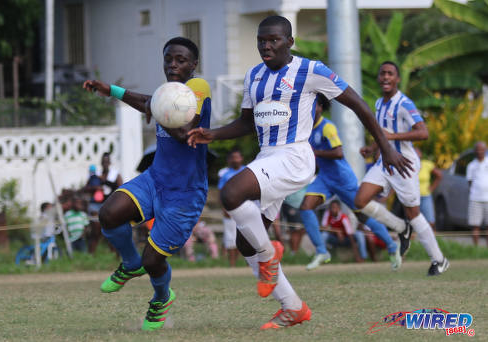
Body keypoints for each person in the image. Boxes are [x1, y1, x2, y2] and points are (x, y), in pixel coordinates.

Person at [188, 16, 411, 329]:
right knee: (244, 242)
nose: (266, 45)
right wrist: (213, 133)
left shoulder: (311, 70)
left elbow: (358, 104)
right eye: (261, 40)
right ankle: (293, 307)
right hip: (268, 158)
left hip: (294, 156)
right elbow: (245, 123)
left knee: (231, 193)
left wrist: (385, 147)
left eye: (274, 40)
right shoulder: (254, 76)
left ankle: (269, 254)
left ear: (289, 42)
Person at [82, 36, 211, 331]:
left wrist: (158, 107)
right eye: (168, 59)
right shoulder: (168, 94)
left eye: (180, 60)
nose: (173, 65)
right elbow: (148, 103)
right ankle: (129, 264)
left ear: (194, 65)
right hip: (155, 179)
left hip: (185, 194)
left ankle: (161, 298)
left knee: (153, 260)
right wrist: (111, 90)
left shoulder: (198, 88)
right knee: (109, 214)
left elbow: (184, 134)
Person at [354, 61, 449, 276]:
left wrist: (392, 137)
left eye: (390, 74)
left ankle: (439, 260)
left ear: (397, 79)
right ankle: (401, 228)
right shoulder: (379, 103)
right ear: (379, 78)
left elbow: (423, 133)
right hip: (384, 162)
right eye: (382, 74)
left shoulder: (405, 103)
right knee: (360, 200)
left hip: (403, 163)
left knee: (414, 214)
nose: (385, 77)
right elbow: (382, 133)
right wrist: (371, 148)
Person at [299, 94, 401, 271]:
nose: (309, 108)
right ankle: (322, 251)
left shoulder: (327, 127)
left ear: (320, 108)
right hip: (324, 178)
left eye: (313, 105)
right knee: (306, 207)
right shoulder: (306, 129)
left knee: (362, 216)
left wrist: (314, 153)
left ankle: (392, 246)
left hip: (342, 178)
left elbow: (338, 153)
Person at [218, 148, 246, 267]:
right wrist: (224, 208)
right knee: (230, 237)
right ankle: (232, 264)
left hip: (246, 209)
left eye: (237, 157)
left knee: (247, 236)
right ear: (229, 160)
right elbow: (221, 192)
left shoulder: (247, 172)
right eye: (233, 157)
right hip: (230, 210)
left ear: (241, 158)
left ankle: (249, 263)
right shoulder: (225, 174)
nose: (235, 160)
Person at [415, 146, 443, 230]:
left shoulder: (426, 164)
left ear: (421, 155)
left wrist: (432, 188)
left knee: (430, 220)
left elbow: (439, 175)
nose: (416, 155)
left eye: (418, 153)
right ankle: (415, 241)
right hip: (413, 197)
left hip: (425, 195)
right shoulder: (408, 165)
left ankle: (430, 239)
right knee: (415, 220)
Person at [466, 141, 488, 246]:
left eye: (482, 149)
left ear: (485, 150)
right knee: (476, 225)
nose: (480, 152)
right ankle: (476, 250)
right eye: (478, 149)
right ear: (475, 151)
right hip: (475, 199)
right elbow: (469, 182)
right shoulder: (471, 165)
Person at [82, 164, 104, 254]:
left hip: (100, 204)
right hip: (93, 205)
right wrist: (94, 188)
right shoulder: (91, 180)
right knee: (95, 228)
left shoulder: (98, 178)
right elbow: (86, 188)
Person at [281, 187, 306, 255]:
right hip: (291, 204)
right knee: (295, 229)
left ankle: (295, 252)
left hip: (303, 206)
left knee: (301, 230)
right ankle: (293, 252)